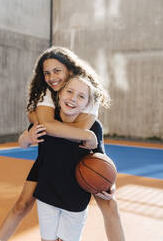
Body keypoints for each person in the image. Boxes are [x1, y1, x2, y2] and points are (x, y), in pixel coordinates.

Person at [0, 47, 124, 241]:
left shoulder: (88, 99)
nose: (52, 77)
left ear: (70, 70)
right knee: (22, 205)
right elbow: (33, 126)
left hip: (79, 165)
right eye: (47, 72)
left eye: (57, 71)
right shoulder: (46, 97)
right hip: (49, 163)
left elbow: (99, 153)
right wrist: (31, 133)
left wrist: (108, 180)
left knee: (109, 204)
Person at [34, 75, 109, 240]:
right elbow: (25, 138)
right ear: (60, 93)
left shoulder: (94, 126)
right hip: (47, 193)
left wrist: (110, 184)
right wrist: (27, 138)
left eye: (81, 96)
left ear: (87, 104)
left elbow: (101, 160)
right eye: (69, 91)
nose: (73, 98)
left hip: (76, 198)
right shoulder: (48, 119)